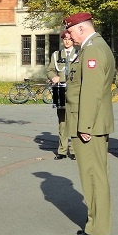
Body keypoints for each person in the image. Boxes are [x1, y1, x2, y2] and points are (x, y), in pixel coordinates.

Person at [63, 12, 115, 235]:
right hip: (90, 122)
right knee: (93, 175)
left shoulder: (92, 49)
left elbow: (91, 92)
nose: (70, 35)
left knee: (93, 176)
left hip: (88, 125)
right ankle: (95, 222)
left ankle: (98, 228)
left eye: (71, 31)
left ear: (82, 28)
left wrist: (84, 126)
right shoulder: (94, 46)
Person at [46, 31, 78, 160]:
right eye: (65, 39)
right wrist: (53, 77)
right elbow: (50, 70)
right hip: (61, 90)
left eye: (69, 39)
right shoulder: (57, 54)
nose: (67, 41)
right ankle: (62, 150)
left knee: (75, 121)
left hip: (75, 90)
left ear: (73, 40)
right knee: (63, 121)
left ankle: (75, 150)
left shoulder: (79, 54)